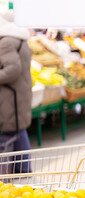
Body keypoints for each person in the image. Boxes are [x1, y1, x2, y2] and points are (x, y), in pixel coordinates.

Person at [0, 10, 32, 173]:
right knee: (19, 130)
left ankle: (7, 171)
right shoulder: (20, 39)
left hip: (9, 96)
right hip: (19, 93)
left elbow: (12, 69)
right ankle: (24, 168)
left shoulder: (6, 42)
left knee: (9, 133)